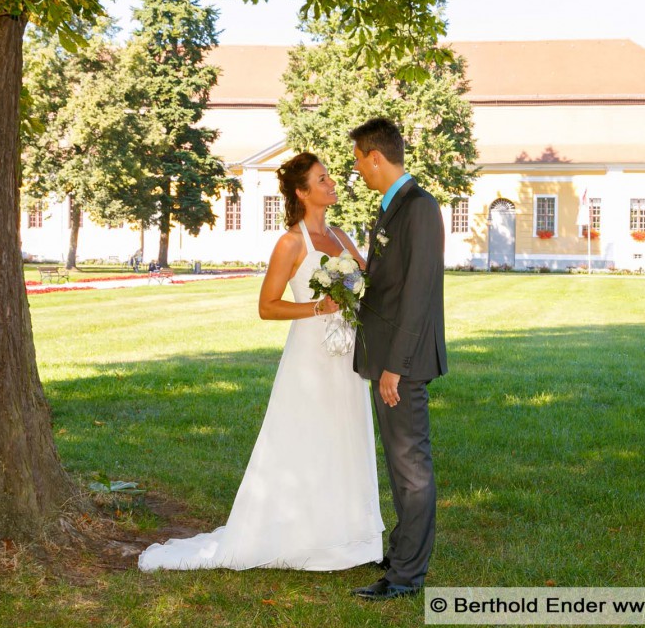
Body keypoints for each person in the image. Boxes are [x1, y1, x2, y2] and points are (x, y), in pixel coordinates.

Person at [138, 152, 384, 572]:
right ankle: (297, 534)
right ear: (303, 192)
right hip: (310, 355)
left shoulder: (342, 236)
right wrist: (317, 309)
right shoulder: (291, 242)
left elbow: (368, 281)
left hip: (347, 353)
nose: (332, 184)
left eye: (330, 178)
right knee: (306, 436)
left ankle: (348, 536)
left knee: (346, 436)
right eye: (322, 180)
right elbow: (267, 307)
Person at [349, 118, 447, 601]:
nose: (356, 171)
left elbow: (419, 293)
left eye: (357, 161)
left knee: (411, 466)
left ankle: (407, 576)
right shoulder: (392, 208)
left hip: (401, 362)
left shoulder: (419, 208)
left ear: (375, 157)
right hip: (387, 354)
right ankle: (402, 553)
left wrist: (396, 364)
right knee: (399, 463)